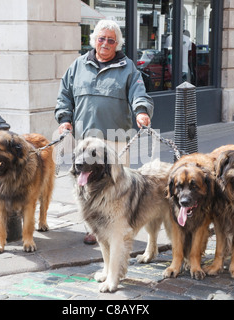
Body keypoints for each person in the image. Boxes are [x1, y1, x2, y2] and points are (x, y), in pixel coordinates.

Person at [55, 19, 154, 244]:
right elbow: (64, 97)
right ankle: (93, 228)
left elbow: (139, 93)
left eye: (111, 40)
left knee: (117, 187)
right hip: (85, 141)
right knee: (86, 185)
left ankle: (117, 226)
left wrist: (141, 111)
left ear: (117, 44)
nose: (106, 43)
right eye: (102, 39)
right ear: (94, 41)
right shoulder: (78, 66)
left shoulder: (128, 67)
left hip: (116, 140)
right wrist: (64, 119)